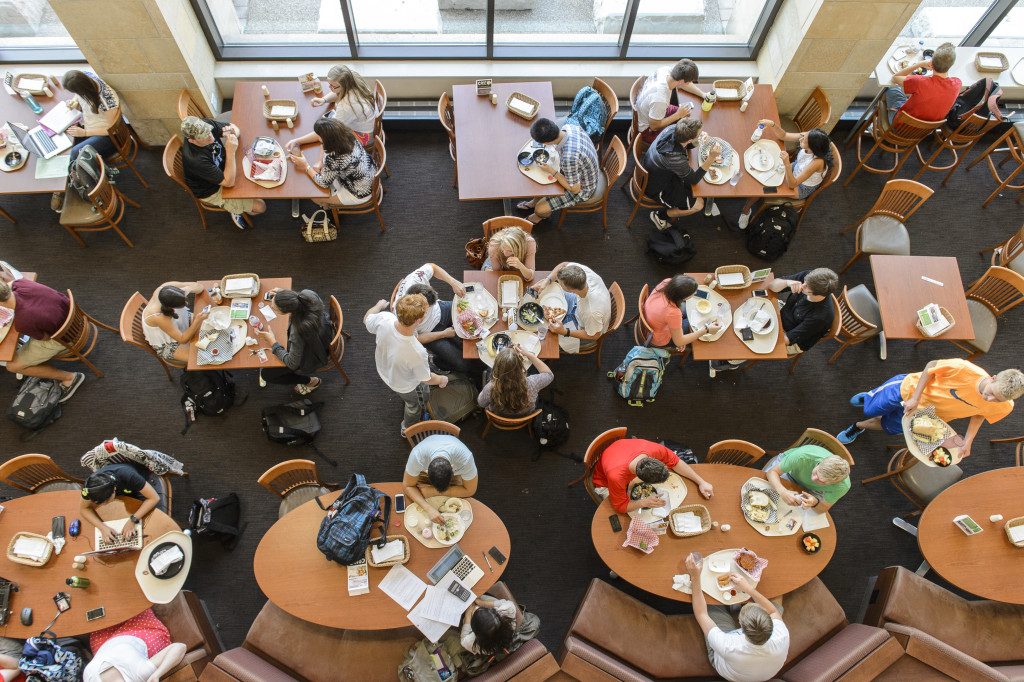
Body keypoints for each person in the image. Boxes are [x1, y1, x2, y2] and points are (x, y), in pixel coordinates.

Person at [838, 359, 1024, 456]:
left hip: (926, 416)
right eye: (991, 392)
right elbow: (931, 366)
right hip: (908, 389)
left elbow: (981, 414)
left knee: (888, 427)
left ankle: (859, 426)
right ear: (992, 378)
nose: (989, 399)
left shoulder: (1004, 406)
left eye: (996, 399)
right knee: (870, 409)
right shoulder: (964, 369)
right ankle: (870, 396)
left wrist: (969, 440)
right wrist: (916, 398)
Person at [710, 268, 838, 374]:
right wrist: (788, 283)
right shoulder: (809, 278)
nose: (802, 285)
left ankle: (731, 362)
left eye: (806, 288)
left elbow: (787, 340)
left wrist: (757, 334)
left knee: (748, 340)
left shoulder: (820, 318)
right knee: (743, 308)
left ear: (818, 295)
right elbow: (772, 286)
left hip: (791, 336)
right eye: (804, 282)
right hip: (784, 313)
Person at [684, 553, 789, 682]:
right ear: (770, 624)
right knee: (776, 595)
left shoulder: (728, 645)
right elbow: (772, 611)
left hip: (727, 663)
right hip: (764, 669)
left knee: (711, 603)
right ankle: (738, 603)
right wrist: (748, 589)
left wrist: (695, 577)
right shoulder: (781, 634)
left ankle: (729, 606)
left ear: (741, 628)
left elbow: (701, 614)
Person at [364, 294, 450, 435]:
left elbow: (366, 319)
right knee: (415, 406)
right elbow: (426, 379)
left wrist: (378, 306)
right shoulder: (416, 352)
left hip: (385, 369)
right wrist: (441, 380)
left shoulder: (385, 318)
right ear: (418, 320)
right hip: (407, 386)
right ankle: (408, 429)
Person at [736, 123, 835, 230]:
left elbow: (793, 184)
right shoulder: (810, 136)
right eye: (802, 137)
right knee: (765, 168)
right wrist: (772, 124)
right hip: (794, 170)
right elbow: (784, 135)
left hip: (800, 187)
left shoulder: (817, 162)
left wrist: (787, 163)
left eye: (804, 141)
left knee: (764, 188)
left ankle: (745, 210)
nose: (801, 139)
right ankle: (749, 194)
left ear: (813, 148)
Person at [0, 278, 85, 402]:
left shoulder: (23, 322)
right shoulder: (20, 283)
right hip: (75, 319)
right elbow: (10, 284)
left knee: (12, 366)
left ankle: (70, 378)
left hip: (64, 338)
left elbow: (44, 338)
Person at [180, 116, 267, 230]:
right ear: (192, 141)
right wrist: (230, 151)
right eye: (204, 136)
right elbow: (228, 182)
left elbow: (234, 128)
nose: (210, 136)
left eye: (209, 131)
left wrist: (233, 132)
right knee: (261, 207)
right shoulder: (196, 160)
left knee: (260, 173)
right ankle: (235, 210)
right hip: (213, 189)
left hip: (222, 167)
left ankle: (239, 204)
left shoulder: (204, 125)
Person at [592, 438, 713, 513]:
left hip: (619, 454)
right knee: (624, 516)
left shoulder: (654, 450)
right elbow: (621, 506)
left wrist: (701, 482)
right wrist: (643, 503)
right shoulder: (616, 476)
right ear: (641, 480)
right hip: (605, 481)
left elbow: (676, 462)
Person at [516, 118, 600, 225]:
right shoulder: (569, 127)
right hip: (583, 170)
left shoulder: (569, 157)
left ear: (546, 143)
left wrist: (551, 171)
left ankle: (540, 216)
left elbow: (575, 189)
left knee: (540, 209)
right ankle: (535, 201)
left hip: (583, 189)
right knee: (540, 183)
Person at [645, 119, 722, 230]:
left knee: (694, 179)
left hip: (652, 169)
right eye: (699, 134)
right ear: (690, 138)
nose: (702, 134)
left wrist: (698, 141)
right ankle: (659, 216)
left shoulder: (672, 129)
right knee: (699, 204)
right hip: (656, 187)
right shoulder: (675, 158)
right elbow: (694, 179)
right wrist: (711, 157)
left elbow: (685, 145)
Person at [395, 263, 471, 374]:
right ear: (416, 318)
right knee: (462, 365)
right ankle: (435, 361)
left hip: (441, 310)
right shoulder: (404, 318)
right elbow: (417, 338)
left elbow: (432, 267)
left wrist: (453, 283)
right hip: (430, 333)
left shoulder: (415, 279)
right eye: (425, 311)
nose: (427, 313)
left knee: (473, 311)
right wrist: (444, 334)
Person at [256, 289, 333, 395]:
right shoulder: (308, 294)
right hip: (325, 331)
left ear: (286, 311)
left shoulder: (297, 331)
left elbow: (292, 363)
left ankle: (311, 382)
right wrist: (284, 296)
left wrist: (272, 342)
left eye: (275, 309)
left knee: (267, 374)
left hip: (314, 353)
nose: (273, 309)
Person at [286, 118, 376, 208]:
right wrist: (297, 141)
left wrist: (305, 165)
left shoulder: (334, 158)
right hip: (370, 173)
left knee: (315, 196)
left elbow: (323, 183)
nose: (317, 136)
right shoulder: (347, 136)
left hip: (360, 192)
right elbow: (321, 137)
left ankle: (328, 208)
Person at [84, 608, 187, 682]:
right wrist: (156, 675)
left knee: (97, 618)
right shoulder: (139, 674)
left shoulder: (90, 677)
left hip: (104, 642)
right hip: (139, 632)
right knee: (133, 606)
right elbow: (180, 647)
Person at [288, 65, 377, 148]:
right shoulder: (353, 79)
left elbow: (329, 130)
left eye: (333, 86)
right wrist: (324, 99)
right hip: (367, 124)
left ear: (343, 86)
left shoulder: (347, 106)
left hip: (364, 137)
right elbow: (338, 92)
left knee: (326, 137)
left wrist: (298, 141)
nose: (329, 87)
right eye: (329, 84)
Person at [79, 463, 165, 544]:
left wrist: (132, 520)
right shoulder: (89, 488)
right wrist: (102, 528)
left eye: (107, 501)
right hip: (125, 491)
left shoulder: (128, 475)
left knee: (156, 524)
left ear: (114, 488)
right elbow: (84, 509)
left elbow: (154, 498)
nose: (105, 504)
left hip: (145, 481)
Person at [459, 594, 540, 677]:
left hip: (491, 647)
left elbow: (464, 639)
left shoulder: (472, 642)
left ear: (476, 633)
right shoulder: (507, 610)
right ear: (496, 613)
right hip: (502, 640)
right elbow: (502, 603)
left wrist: (469, 613)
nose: (477, 608)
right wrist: (479, 602)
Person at [402, 434, 479, 522]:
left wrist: (433, 492)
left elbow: (470, 490)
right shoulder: (417, 456)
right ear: (426, 472)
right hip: (425, 459)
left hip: (456, 459)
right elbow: (407, 486)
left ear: (453, 469)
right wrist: (429, 509)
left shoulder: (465, 459)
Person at [539, 262, 611, 353]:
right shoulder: (582, 273)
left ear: (572, 291)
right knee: (548, 291)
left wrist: (564, 331)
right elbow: (564, 264)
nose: (558, 283)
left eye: (561, 284)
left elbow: (594, 335)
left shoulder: (591, 312)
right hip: (578, 305)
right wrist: (546, 281)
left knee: (547, 336)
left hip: (586, 326)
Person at [885, 42, 960, 125]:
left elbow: (895, 77)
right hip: (925, 131)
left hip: (900, 126)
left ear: (931, 62)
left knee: (891, 87)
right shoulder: (957, 83)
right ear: (951, 65)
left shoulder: (920, 82)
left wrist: (919, 64)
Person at [641, 275, 721, 351]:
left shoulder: (667, 282)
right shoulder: (673, 312)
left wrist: (680, 338)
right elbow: (679, 341)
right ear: (682, 297)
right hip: (656, 338)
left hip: (651, 316)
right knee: (694, 324)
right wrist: (706, 330)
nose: (696, 293)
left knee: (689, 312)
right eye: (693, 293)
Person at [763, 445, 850, 513]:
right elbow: (772, 472)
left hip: (813, 489)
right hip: (789, 471)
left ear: (833, 483)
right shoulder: (802, 456)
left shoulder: (842, 487)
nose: (813, 479)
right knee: (764, 489)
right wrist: (782, 492)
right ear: (821, 462)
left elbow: (821, 509)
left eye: (821, 481)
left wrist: (815, 502)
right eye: (816, 472)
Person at [637, 58, 703, 144]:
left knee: (687, 116)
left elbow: (684, 85)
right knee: (686, 137)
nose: (689, 84)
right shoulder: (660, 99)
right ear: (682, 81)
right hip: (648, 130)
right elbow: (654, 126)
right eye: (688, 82)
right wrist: (678, 115)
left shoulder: (666, 70)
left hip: (653, 111)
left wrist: (703, 94)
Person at [141, 282, 209, 365]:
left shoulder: (165, 288)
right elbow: (182, 339)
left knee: (212, 324)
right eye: (183, 303)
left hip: (182, 322)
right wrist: (197, 320)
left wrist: (188, 289)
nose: (187, 303)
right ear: (171, 307)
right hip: (169, 343)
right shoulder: (160, 317)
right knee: (203, 358)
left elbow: (200, 287)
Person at [62, 70, 120, 162]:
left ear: (83, 90)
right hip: (90, 124)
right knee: (65, 141)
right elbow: (77, 93)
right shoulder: (86, 76)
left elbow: (113, 130)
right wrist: (74, 100)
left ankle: (99, 173)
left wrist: (85, 133)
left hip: (108, 136)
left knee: (75, 154)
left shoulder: (106, 102)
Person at [477, 345, 553, 417]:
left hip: (499, 415)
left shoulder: (490, 387)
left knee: (487, 371)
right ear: (521, 366)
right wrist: (529, 355)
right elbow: (549, 375)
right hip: (525, 414)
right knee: (533, 369)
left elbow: (481, 403)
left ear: (496, 368)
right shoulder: (533, 383)